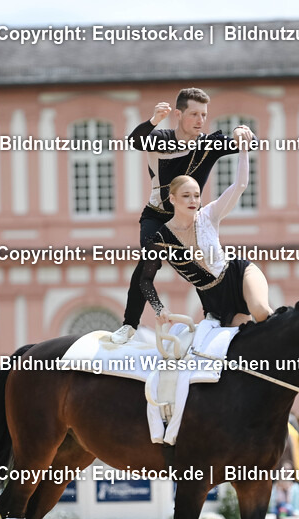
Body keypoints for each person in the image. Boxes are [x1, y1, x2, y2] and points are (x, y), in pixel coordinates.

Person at [111, 88, 246, 343]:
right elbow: (135, 140)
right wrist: (152, 121)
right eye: (194, 114)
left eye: (204, 115)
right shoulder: (161, 138)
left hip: (187, 222)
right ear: (178, 114)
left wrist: (241, 133)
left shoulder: (208, 144)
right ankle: (129, 325)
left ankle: (214, 317)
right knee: (148, 262)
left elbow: (245, 144)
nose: (200, 120)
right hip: (156, 216)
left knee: (200, 266)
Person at [133, 129, 271, 329]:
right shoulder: (160, 238)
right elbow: (145, 280)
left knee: (261, 311)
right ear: (172, 199)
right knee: (241, 343)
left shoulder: (209, 214)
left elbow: (240, 185)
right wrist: (159, 308)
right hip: (213, 298)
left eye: (196, 195)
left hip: (237, 274)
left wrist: (243, 150)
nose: (193, 201)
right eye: (186, 195)